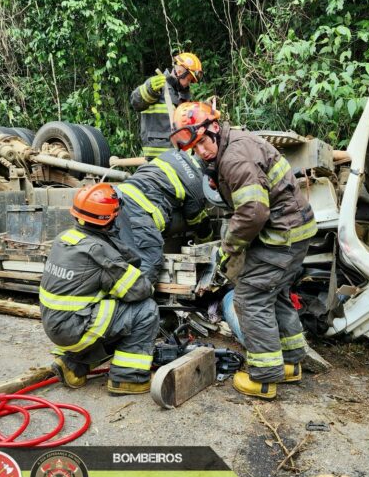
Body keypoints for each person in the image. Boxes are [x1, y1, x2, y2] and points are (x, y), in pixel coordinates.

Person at [170, 101, 320, 399]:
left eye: (202, 144)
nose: (201, 152)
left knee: (250, 298)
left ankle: (264, 378)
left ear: (213, 128)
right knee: (274, 294)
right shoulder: (231, 146)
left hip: (281, 236)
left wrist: (229, 248)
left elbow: (252, 212)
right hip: (293, 232)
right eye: (194, 149)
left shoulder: (235, 158)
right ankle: (291, 363)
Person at [40, 183, 159, 395]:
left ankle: (73, 366)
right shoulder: (99, 251)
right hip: (73, 328)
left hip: (55, 324)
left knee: (115, 316)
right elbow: (139, 290)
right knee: (145, 310)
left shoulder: (65, 238)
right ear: (109, 219)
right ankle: (128, 379)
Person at [115, 147, 213, 283]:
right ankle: (136, 302)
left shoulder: (174, 153)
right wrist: (207, 242)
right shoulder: (196, 184)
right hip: (139, 210)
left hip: (116, 197)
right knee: (151, 263)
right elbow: (198, 222)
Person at [130, 52, 203, 160]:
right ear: (179, 71)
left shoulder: (183, 95)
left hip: (178, 156)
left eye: (190, 81)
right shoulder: (157, 85)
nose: (187, 83)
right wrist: (149, 88)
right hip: (157, 155)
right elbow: (135, 102)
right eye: (187, 79)